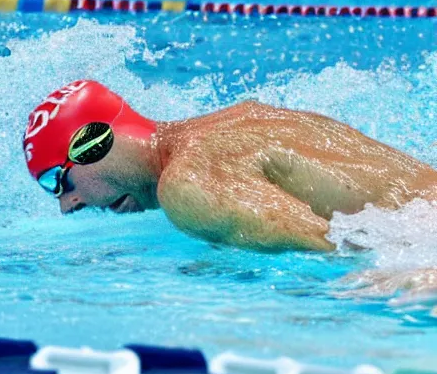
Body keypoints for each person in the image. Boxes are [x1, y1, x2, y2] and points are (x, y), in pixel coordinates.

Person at [22, 79, 437, 253]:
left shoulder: (186, 184)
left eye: (58, 181)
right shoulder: (230, 121)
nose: (68, 205)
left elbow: (332, 248)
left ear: (93, 145)